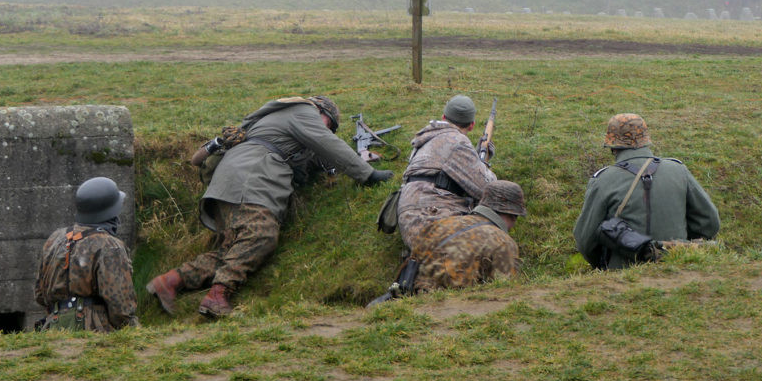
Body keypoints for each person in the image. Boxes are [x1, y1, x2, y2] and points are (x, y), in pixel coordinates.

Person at [146, 96, 393, 318]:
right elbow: (325, 142)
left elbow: (320, 156)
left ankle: (171, 280)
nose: (328, 130)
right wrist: (368, 175)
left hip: (228, 185)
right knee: (261, 234)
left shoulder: (271, 121)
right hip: (252, 179)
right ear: (322, 113)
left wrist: (355, 157)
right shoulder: (303, 111)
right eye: (330, 125)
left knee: (233, 250)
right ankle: (217, 296)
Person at [573, 113, 720, 270]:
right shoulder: (679, 171)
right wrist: (678, 248)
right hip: (678, 270)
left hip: (623, 277)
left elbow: (585, 241)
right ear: (646, 141)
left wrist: (604, 264)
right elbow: (708, 223)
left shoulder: (603, 180)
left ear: (613, 147)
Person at [371, 181, 525, 304]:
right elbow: (506, 293)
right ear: (513, 215)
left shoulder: (443, 223)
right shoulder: (503, 242)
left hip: (407, 297)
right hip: (447, 308)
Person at [34, 177, 138, 332]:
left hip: (53, 328)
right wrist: (135, 333)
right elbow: (121, 308)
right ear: (112, 211)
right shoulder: (110, 246)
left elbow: (40, 295)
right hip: (94, 332)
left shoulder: (55, 239)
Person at [396, 95, 496, 250]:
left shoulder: (426, 139)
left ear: (443, 117)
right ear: (471, 125)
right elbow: (488, 190)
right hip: (432, 216)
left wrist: (474, 159)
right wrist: (484, 166)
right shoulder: (458, 142)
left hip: (409, 216)